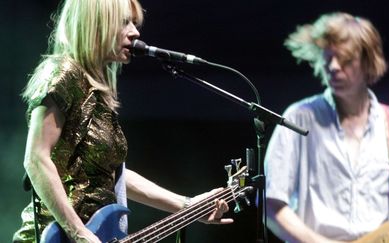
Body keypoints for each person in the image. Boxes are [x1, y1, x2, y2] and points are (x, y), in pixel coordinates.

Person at [13, 0, 232, 242]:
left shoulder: (96, 91)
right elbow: (36, 158)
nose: (136, 32)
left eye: (134, 23)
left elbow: (114, 175)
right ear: (95, 24)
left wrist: (187, 205)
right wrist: (79, 232)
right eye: (123, 22)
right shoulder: (62, 74)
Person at [264, 12, 389, 242]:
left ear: (367, 61)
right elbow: (271, 206)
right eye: (328, 57)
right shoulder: (297, 118)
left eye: (344, 59)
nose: (333, 66)